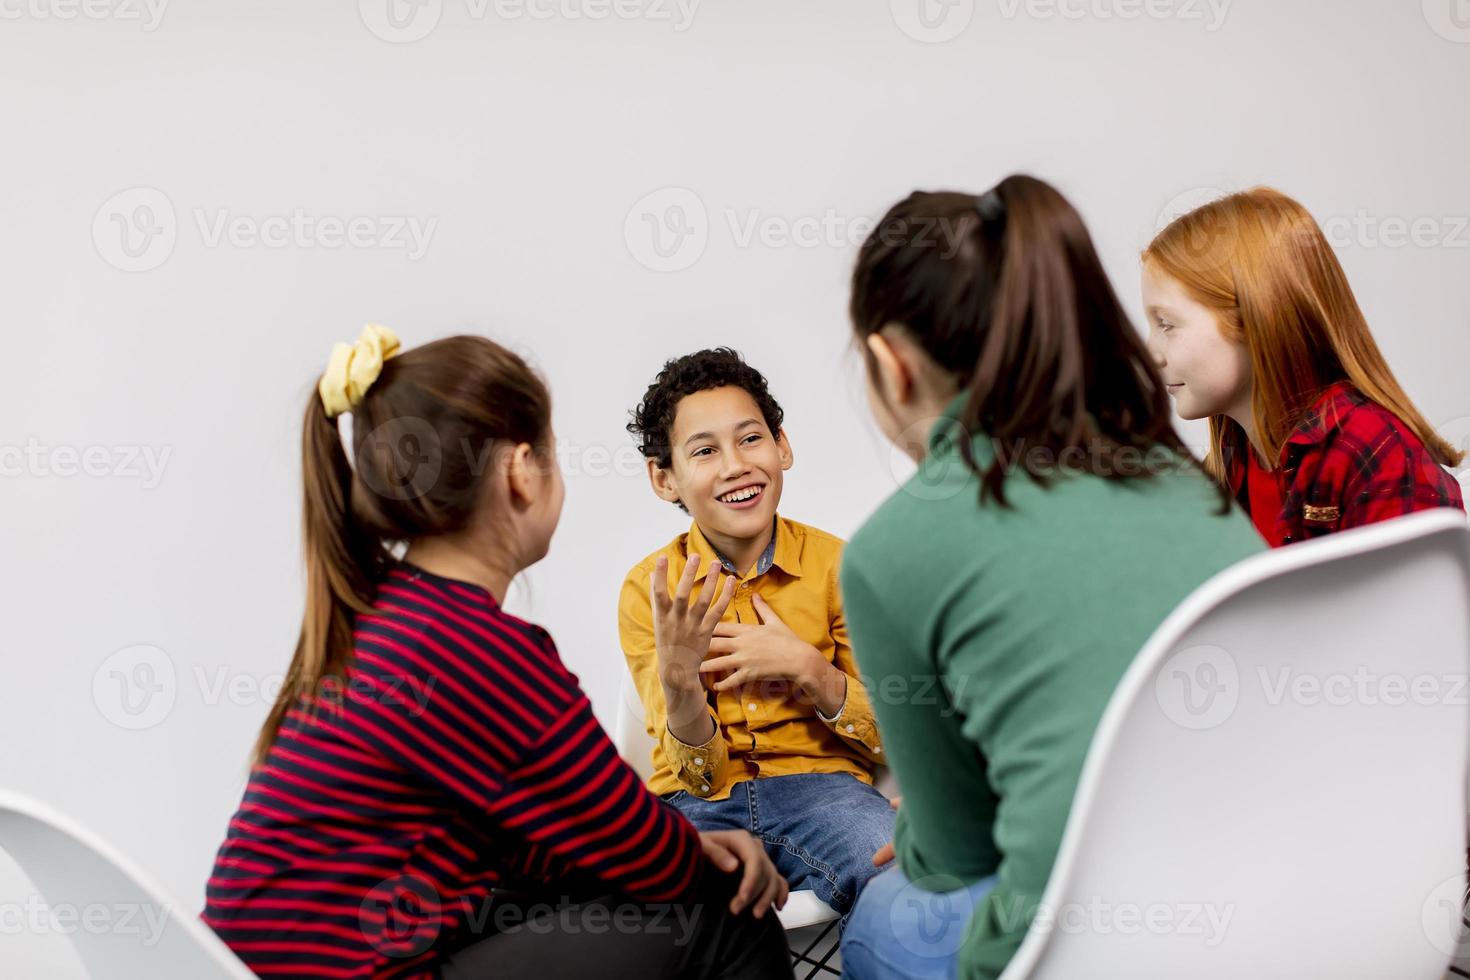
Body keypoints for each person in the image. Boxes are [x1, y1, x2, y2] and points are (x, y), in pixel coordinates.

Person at [203, 326, 792, 980]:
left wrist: (677, 845)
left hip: (241, 967)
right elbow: (642, 854)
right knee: (730, 918)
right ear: (521, 472)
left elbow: (549, 834)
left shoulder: (386, 617)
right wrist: (700, 852)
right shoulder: (477, 649)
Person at [836, 177, 1263, 979]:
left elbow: (954, 853)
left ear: (890, 365)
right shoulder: (1181, 477)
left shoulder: (892, 551)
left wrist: (929, 824)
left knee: (880, 924)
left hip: (1087, 952)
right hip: (1287, 903)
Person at [618, 347, 894, 924]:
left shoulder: (841, 569)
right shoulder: (650, 589)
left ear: (782, 447)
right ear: (664, 478)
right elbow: (699, 776)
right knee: (647, 913)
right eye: (704, 451)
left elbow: (894, 741)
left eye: (750, 439)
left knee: (897, 874)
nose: (736, 465)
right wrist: (680, 680)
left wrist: (810, 670)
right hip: (698, 803)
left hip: (825, 790)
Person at [1142, 186, 1463, 546]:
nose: (1152, 353)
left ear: (1254, 319)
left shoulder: (1373, 451)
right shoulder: (1238, 461)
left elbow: (1422, 599)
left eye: (1166, 324)